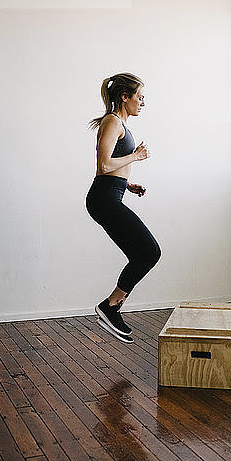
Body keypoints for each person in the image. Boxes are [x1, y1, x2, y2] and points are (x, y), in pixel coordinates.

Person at [85, 73, 161, 343]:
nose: (143, 102)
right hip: (103, 199)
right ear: (124, 97)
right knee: (150, 252)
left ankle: (112, 306)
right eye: (139, 97)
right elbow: (103, 166)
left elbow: (112, 169)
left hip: (111, 195)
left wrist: (127, 184)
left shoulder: (121, 125)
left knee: (143, 254)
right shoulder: (112, 122)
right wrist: (136, 156)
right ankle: (110, 307)